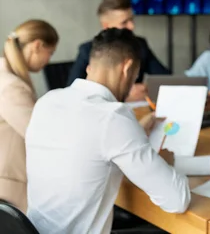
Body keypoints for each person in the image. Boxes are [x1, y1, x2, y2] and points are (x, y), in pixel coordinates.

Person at [26, 28, 190, 234]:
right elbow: (177, 200)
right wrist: (166, 162)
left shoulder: (47, 101)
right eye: (135, 76)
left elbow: (87, 144)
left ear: (89, 67)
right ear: (127, 68)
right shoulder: (113, 116)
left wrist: (136, 131)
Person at [0, 20, 58, 211]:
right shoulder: (11, 86)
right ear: (37, 46)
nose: (48, 60)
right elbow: (39, 135)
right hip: (8, 185)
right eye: (50, 53)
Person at [67, 0, 170, 101]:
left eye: (131, 20)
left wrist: (145, 88)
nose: (131, 26)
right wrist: (125, 95)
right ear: (106, 26)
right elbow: (72, 91)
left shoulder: (140, 45)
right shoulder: (87, 50)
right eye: (124, 22)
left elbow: (165, 78)